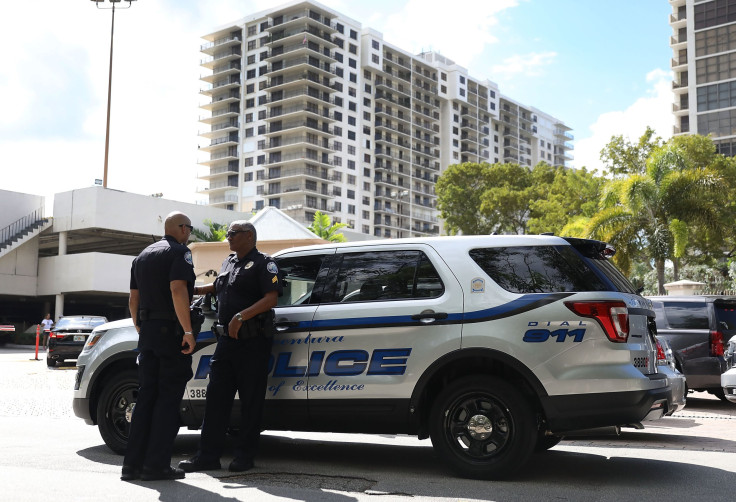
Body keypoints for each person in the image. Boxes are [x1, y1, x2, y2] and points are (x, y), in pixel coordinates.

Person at [179, 220, 280, 473]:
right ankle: (207, 457)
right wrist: (193, 290)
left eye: (232, 234)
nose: (228, 237)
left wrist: (241, 316)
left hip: (253, 342)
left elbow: (271, 298)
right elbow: (219, 286)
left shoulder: (263, 263)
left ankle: (244, 456)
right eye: (228, 234)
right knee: (216, 400)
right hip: (225, 343)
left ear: (249, 236)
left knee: (250, 401)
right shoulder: (229, 261)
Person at [121, 211, 196, 482]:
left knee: (146, 398)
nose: (189, 233)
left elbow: (133, 298)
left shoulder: (142, 256)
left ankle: (132, 466)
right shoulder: (179, 253)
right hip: (169, 333)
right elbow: (178, 289)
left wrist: (139, 325)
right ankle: (156, 466)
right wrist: (187, 330)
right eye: (189, 228)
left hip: (149, 333)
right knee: (167, 400)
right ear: (181, 228)